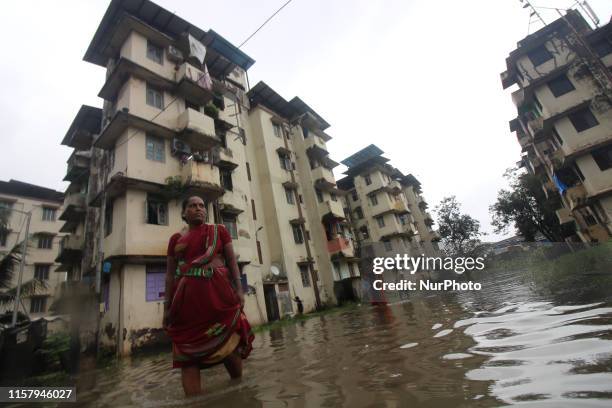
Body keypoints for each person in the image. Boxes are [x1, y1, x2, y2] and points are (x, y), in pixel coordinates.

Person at [163, 196, 254, 396]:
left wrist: (239, 290)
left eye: (202, 205)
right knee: (187, 358)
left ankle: (241, 393)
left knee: (228, 349)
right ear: (184, 213)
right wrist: (166, 307)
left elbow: (231, 262)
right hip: (186, 308)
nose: (198, 208)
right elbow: (170, 275)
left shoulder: (219, 231)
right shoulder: (175, 240)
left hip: (219, 301)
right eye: (192, 205)